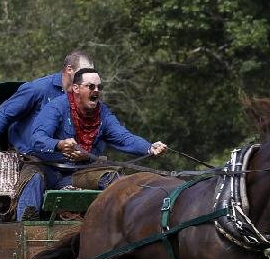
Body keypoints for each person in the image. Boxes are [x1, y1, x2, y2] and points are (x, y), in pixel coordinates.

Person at [15, 68, 167, 220]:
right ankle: (27, 228)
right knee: (34, 178)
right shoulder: (56, 107)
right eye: (91, 86)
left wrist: (149, 147)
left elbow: (123, 137)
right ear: (76, 88)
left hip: (78, 173)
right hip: (46, 169)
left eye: (99, 87)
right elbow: (37, 139)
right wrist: (60, 144)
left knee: (112, 176)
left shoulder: (103, 113)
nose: (96, 90)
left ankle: (126, 222)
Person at [0, 50, 93, 165]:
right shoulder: (38, 89)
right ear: (69, 69)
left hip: (65, 165)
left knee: (106, 177)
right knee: (36, 179)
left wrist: (84, 153)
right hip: (29, 161)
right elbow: (4, 113)